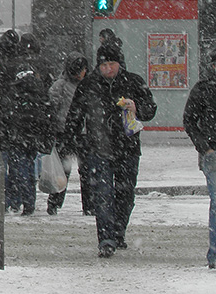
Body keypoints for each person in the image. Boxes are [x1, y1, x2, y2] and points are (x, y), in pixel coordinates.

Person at [61, 36, 157, 257]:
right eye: (103, 65)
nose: (107, 68)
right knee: (103, 195)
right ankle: (106, 238)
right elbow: (75, 115)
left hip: (128, 148)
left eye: (111, 64)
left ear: (119, 64)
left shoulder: (133, 82)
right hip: (98, 148)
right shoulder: (89, 85)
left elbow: (150, 109)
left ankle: (118, 231)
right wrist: (70, 140)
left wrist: (137, 107)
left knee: (125, 194)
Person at [182, 43, 216, 271]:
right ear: (213, 66)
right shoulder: (203, 89)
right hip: (214, 153)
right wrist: (205, 148)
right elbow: (189, 120)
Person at [0, 30, 53, 215]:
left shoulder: (10, 66)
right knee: (29, 162)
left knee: (15, 164)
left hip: (15, 122)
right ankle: (29, 200)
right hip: (34, 122)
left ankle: (14, 200)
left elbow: (2, 92)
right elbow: (48, 94)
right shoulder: (42, 66)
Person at [46, 53, 92, 215]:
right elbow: (52, 106)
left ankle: (89, 205)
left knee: (85, 170)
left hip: (79, 132)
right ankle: (55, 202)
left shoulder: (86, 85)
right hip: (65, 131)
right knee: (62, 171)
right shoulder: (61, 85)